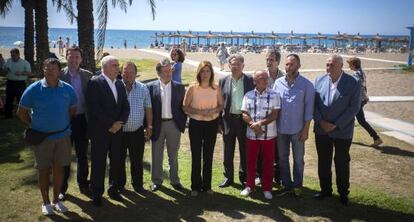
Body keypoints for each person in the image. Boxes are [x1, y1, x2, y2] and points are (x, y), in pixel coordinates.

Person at [17, 58, 77, 215]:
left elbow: (72, 109)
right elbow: (21, 113)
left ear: (59, 70)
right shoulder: (34, 89)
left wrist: (60, 124)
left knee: (59, 169)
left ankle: (56, 200)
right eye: (47, 69)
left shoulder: (68, 89)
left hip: (63, 137)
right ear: (43, 70)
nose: (50, 71)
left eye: (53, 69)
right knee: (43, 170)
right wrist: (36, 125)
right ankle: (46, 203)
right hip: (41, 139)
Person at [313, 54, 361, 206]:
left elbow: (354, 107)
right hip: (322, 129)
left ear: (341, 66)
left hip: (342, 130)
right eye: (327, 64)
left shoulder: (353, 82)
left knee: (341, 162)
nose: (329, 67)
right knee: (324, 161)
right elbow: (314, 104)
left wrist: (336, 124)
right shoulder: (319, 80)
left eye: (332, 65)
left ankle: (343, 193)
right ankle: (325, 190)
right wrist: (321, 121)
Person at [86, 55, 130, 206]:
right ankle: (96, 193)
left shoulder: (119, 84)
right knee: (98, 162)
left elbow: (125, 106)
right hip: (100, 131)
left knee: (116, 161)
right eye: (114, 65)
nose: (118, 68)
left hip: (117, 131)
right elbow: (94, 108)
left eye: (117, 65)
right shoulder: (95, 82)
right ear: (104, 67)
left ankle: (114, 189)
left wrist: (120, 123)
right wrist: (111, 124)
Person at [273, 54, 315, 197]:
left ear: (298, 66)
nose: (288, 67)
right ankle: (286, 185)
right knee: (282, 159)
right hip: (281, 130)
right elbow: (274, 105)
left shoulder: (307, 85)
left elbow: (309, 110)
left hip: (298, 130)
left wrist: (306, 130)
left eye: (291, 64)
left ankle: (297, 186)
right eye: (287, 64)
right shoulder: (278, 83)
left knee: (298, 160)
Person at [183, 61, 224, 196]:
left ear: (211, 73)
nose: (205, 74)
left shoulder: (216, 87)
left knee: (208, 155)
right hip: (195, 124)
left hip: (211, 125)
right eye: (202, 71)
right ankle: (195, 186)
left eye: (208, 71)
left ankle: (207, 186)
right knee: (196, 155)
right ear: (199, 73)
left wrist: (213, 110)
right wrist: (199, 112)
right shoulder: (193, 88)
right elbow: (185, 107)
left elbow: (221, 105)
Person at [147, 58, 187, 192]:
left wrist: (181, 122)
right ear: (158, 73)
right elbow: (147, 108)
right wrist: (148, 126)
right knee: (156, 154)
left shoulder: (179, 87)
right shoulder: (150, 87)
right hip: (157, 124)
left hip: (173, 125)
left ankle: (175, 180)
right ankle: (157, 181)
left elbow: (184, 107)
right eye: (165, 71)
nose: (168, 74)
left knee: (173, 155)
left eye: (170, 71)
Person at [239, 70, 280, 200]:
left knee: (268, 162)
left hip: (269, 135)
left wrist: (260, 124)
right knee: (250, 161)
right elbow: (244, 113)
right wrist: (253, 124)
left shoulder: (275, 95)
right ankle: (249, 185)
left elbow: (274, 114)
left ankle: (267, 188)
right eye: (261, 78)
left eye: (265, 78)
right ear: (254, 81)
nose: (264, 80)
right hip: (252, 135)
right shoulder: (248, 95)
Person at [59, 46, 93, 200]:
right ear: (66, 58)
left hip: (82, 120)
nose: (73, 59)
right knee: (64, 155)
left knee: (82, 154)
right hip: (65, 121)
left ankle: (83, 183)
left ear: (81, 59)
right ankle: (62, 188)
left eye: (76, 57)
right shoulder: (59, 75)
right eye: (71, 56)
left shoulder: (88, 76)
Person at [218, 54, 254, 188]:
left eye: (238, 64)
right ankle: (228, 177)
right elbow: (219, 102)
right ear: (229, 66)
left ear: (243, 66)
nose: (235, 66)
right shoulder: (223, 81)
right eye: (233, 64)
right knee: (228, 151)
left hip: (244, 120)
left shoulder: (250, 80)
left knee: (245, 150)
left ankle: (243, 177)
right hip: (228, 120)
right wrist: (219, 122)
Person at [119, 62, 153, 193]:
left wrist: (149, 126)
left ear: (135, 73)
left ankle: (138, 184)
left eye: (131, 72)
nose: (128, 74)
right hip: (119, 132)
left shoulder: (143, 88)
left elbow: (148, 108)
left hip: (136, 132)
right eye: (125, 72)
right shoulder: (116, 87)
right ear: (121, 73)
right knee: (119, 160)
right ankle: (120, 185)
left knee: (137, 160)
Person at [347, 57, 383, 147]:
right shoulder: (361, 72)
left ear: (354, 65)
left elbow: (355, 88)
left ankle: (376, 138)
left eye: (350, 64)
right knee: (357, 119)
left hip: (358, 100)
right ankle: (376, 138)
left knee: (359, 120)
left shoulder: (356, 74)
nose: (349, 66)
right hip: (363, 99)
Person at [3, 48, 32, 119]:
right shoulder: (8, 61)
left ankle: (23, 115)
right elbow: (4, 70)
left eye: (14, 55)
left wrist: (21, 73)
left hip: (20, 83)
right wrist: (5, 70)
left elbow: (30, 73)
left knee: (21, 99)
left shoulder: (25, 62)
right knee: (9, 99)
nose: (13, 57)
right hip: (10, 82)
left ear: (18, 54)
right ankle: (8, 115)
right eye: (11, 55)